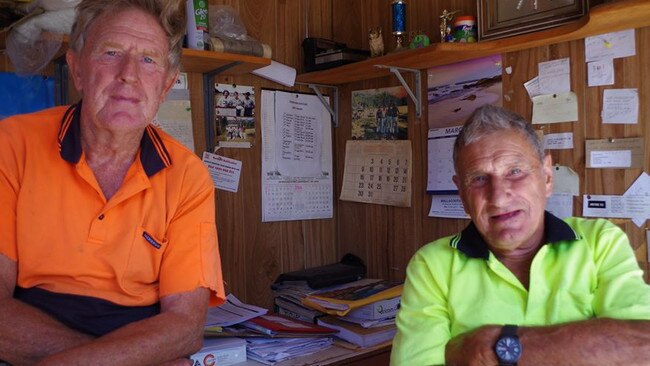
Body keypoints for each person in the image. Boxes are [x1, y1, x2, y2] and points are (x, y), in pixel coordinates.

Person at [0, 0, 226, 365]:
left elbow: (184, 325)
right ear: (77, 70)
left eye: (149, 59)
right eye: (111, 52)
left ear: (166, 86)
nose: (129, 74)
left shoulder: (187, 177)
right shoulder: (10, 146)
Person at [391, 104, 650, 365]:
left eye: (515, 172)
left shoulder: (600, 242)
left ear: (547, 177)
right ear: (461, 193)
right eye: (479, 179)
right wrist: (589, 344)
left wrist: (487, 347)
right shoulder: (431, 265)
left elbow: (641, 348)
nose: (499, 197)